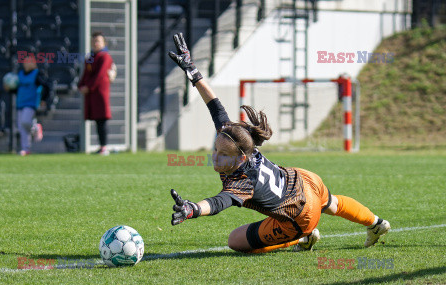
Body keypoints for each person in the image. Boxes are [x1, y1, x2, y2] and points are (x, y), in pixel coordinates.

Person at [167, 33, 391, 253]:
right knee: (332, 204)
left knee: (235, 241)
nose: (215, 156)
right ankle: (376, 222)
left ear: (242, 158)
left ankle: (304, 236)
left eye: (223, 154)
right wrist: (193, 72)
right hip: (305, 179)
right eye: (215, 149)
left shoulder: (243, 181)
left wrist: (192, 209)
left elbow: (218, 202)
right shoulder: (236, 139)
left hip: (301, 215)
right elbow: (215, 106)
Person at [5, 56, 49, 156]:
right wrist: (9, 89)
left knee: (25, 122)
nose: (27, 63)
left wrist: (44, 99)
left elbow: (46, 86)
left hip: (31, 103)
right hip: (20, 103)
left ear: (34, 63)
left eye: (29, 61)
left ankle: (36, 128)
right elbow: (17, 89)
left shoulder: (37, 74)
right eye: (25, 62)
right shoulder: (20, 75)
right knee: (21, 127)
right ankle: (26, 149)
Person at [78, 31, 114, 156]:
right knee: (97, 120)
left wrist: (88, 87)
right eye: (93, 41)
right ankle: (101, 146)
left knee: (102, 120)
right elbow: (85, 74)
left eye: (98, 41)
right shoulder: (90, 58)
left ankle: (104, 146)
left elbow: (100, 75)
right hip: (91, 93)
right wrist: (81, 86)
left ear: (104, 43)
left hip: (100, 93)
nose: (95, 43)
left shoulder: (105, 57)